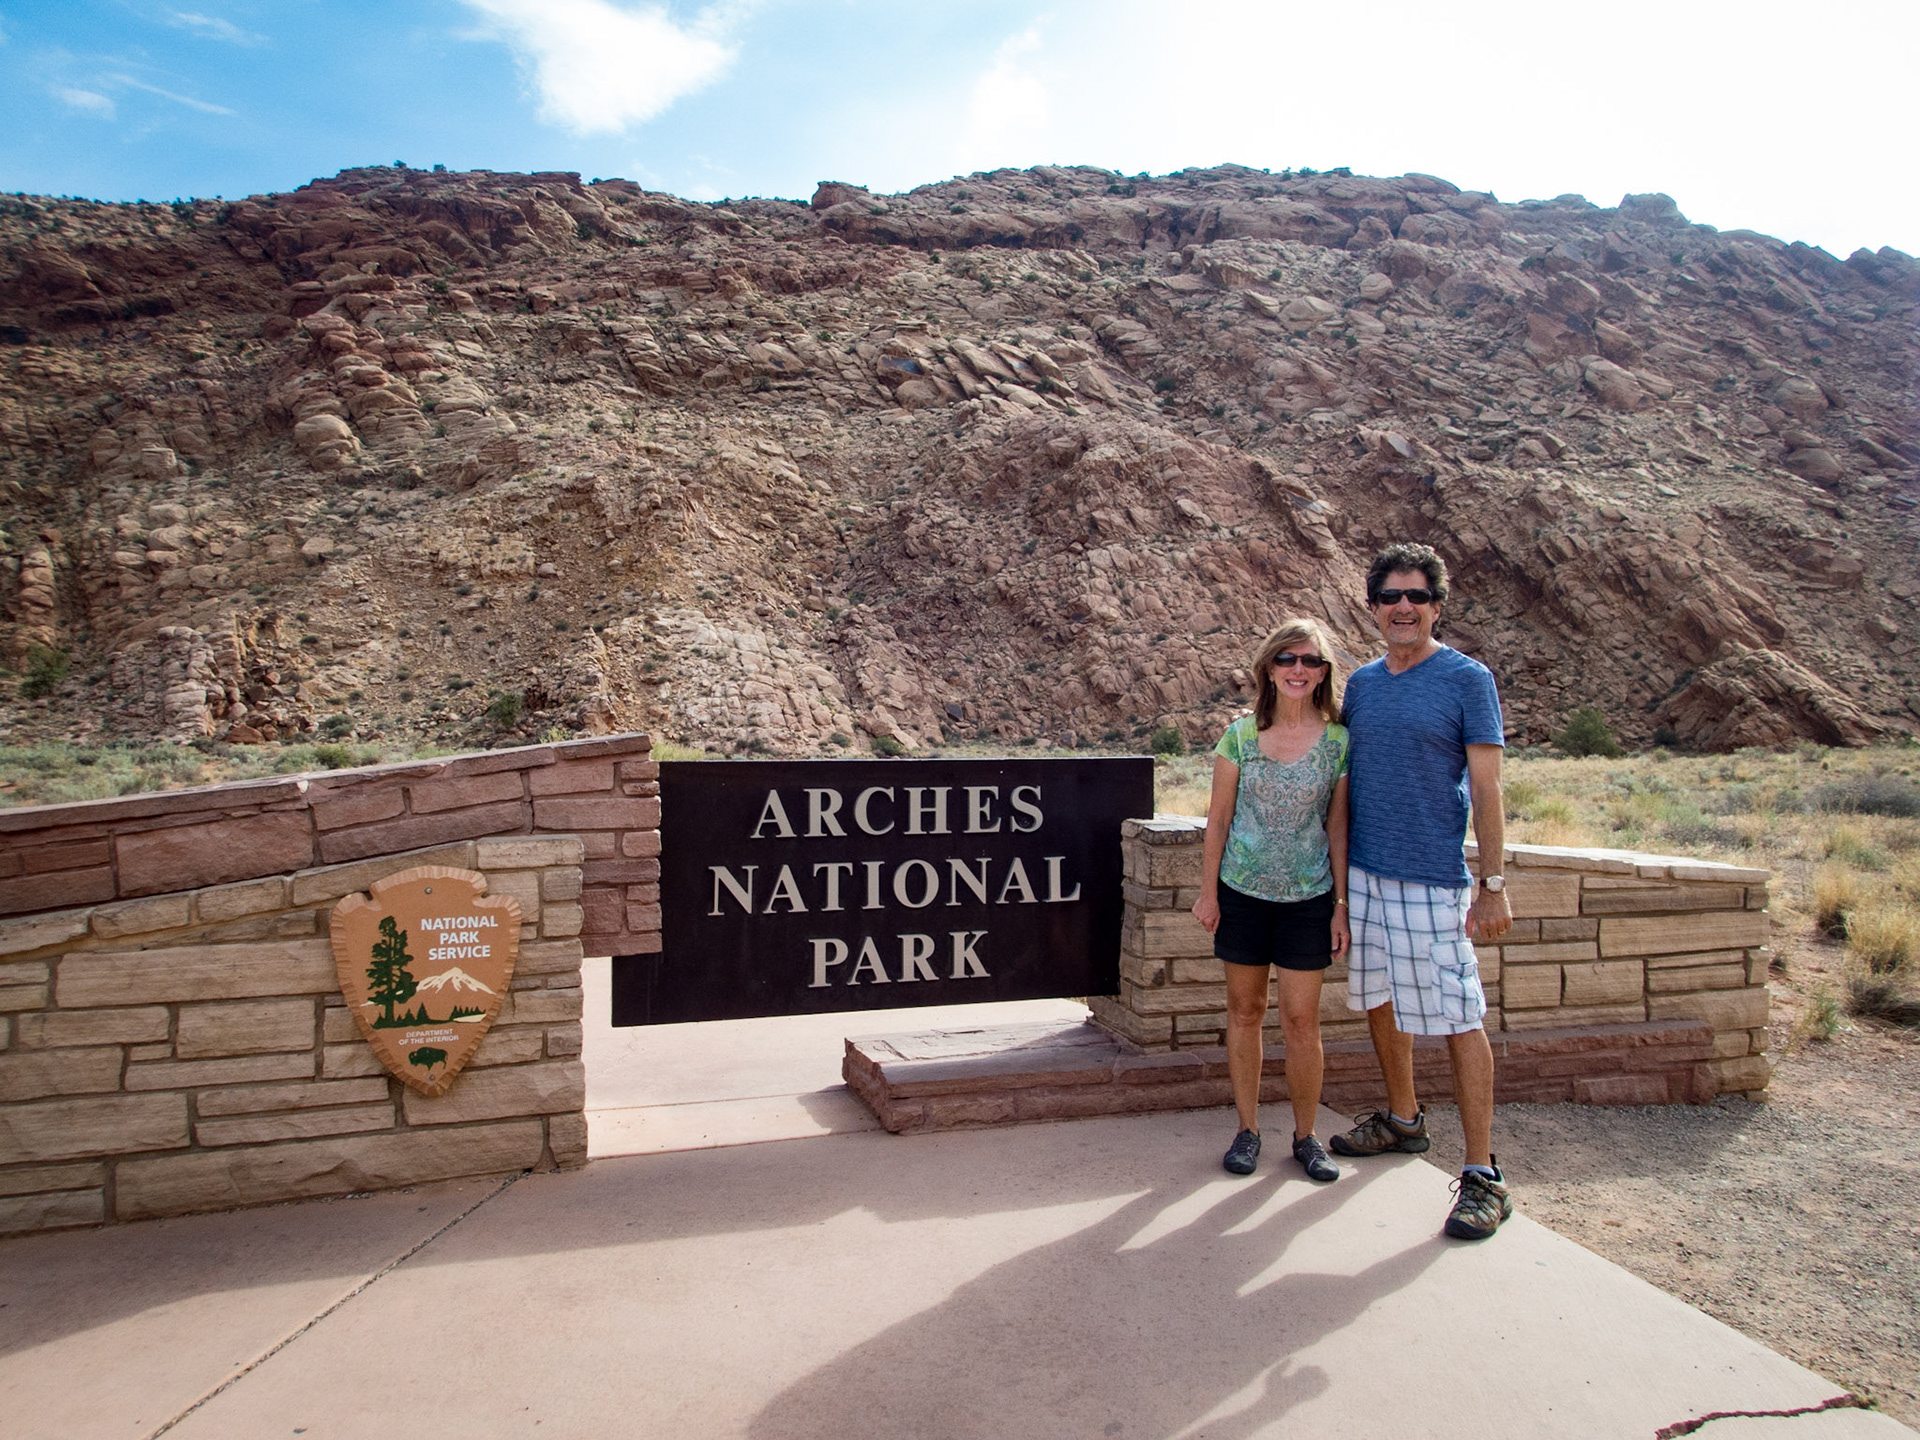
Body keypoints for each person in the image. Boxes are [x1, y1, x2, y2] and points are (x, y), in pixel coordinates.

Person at [1329, 542, 1515, 1241]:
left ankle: (1483, 1175)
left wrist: (1492, 885)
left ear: (1437, 606)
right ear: (1374, 607)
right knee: (1379, 999)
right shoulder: (1364, 684)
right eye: (1390, 596)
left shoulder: (1467, 680)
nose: (1403, 607)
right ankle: (1404, 1119)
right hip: (1369, 878)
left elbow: (1490, 787)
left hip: (1435, 880)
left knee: (1458, 1016)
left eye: (1417, 596)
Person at [1192, 617, 1350, 1184]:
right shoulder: (1239, 736)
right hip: (1243, 893)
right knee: (1246, 1012)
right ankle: (1248, 1129)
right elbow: (1218, 820)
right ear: (1269, 668)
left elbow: (1337, 826)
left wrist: (1340, 905)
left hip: (1309, 897)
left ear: (1324, 671)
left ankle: (1305, 1136)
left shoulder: (1337, 740)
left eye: (1310, 661)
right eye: (1288, 660)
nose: (1299, 670)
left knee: (1302, 1020)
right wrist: (1208, 893)